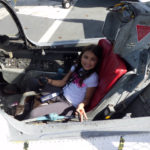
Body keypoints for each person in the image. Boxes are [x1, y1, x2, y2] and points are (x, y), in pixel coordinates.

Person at [26, 44, 102, 122]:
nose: (88, 62)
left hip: (69, 105)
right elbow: (62, 82)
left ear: (97, 62)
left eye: (93, 59)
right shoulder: (77, 67)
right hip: (61, 92)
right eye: (86, 57)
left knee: (33, 114)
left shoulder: (93, 77)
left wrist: (81, 106)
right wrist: (48, 80)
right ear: (81, 56)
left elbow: (87, 99)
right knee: (31, 82)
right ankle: (26, 106)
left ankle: (32, 114)